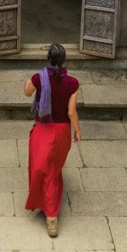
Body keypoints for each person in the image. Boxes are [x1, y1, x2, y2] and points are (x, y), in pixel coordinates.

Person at [23, 43, 80, 237]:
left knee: (42, 172)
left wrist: (26, 82)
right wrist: (78, 131)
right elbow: (71, 112)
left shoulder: (39, 78)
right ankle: (49, 208)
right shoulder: (72, 83)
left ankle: (51, 216)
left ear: (48, 59)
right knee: (54, 171)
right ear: (64, 61)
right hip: (62, 131)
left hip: (44, 131)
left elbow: (27, 92)